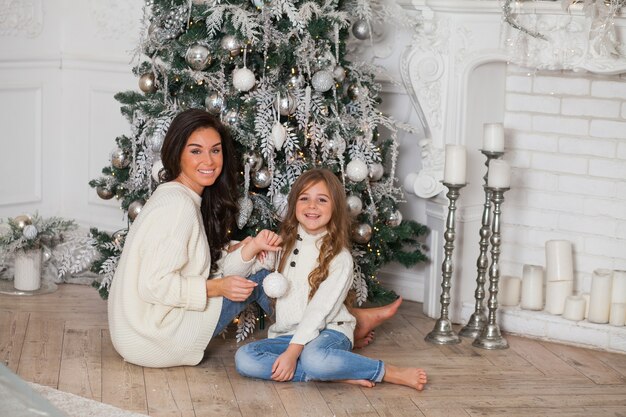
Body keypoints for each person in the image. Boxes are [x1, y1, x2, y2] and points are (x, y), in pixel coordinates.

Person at [108, 109, 282, 368]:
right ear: (177, 153)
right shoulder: (178, 207)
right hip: (152, 337)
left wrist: (249, 249)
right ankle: (313, 334)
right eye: (196, 151)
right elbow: (154, 284)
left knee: (256, 266)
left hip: (137, 334)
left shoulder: (177, 196)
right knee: (266, 280)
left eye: (215, 150)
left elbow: (205, 265)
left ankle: (317, 328)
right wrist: (218, 288)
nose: (209, 161)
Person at [235, 169, 428, 391]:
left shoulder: (339, 257)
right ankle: (333, 374)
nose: (312, 206)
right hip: (288, 334)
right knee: (245, 358)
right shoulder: (282, 245)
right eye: (304, 198)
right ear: (294, 203)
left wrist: (292, 353)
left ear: (335, 207)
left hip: (329, 330)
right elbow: (240, 267)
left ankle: (384, 371)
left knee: (315, 359)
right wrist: (252, 247)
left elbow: (319, 309)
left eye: (322, 200)